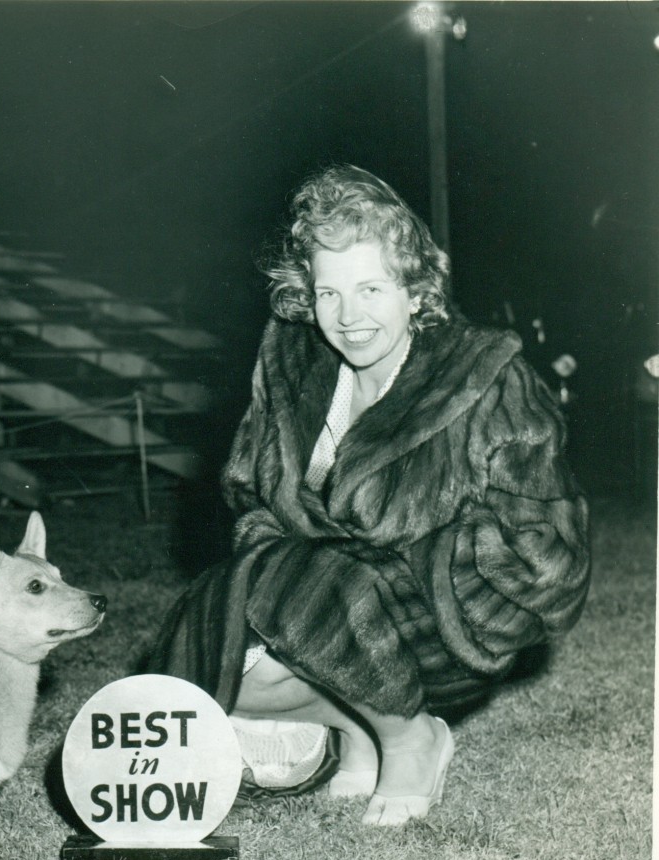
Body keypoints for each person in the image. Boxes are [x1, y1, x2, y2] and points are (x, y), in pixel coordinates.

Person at [147, 165, 590, 825]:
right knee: (207, 639)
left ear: (415, 290)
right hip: (330, 609)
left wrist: (427, 567)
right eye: (329, 293)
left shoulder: (483, 375)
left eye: (371, 288)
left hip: (451, 623)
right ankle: (360, 725)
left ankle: (411, 737)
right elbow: (253, 498)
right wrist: (300, 576)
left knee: (299, 583)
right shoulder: (293, 363)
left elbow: (549, 552)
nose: (349, 318)